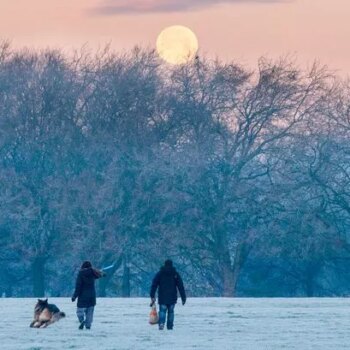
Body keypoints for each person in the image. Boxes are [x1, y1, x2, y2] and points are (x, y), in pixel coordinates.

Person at [150, 259, 186, 330]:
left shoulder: (160, 273)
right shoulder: (175, 274)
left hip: (162, 296)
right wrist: (183, 297)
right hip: (172, 296)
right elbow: (180, 286)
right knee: (171, 312)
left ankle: (161, 324)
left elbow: (154, 284)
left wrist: (152, 295)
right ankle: (170, 326)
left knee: (162, 311)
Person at [71, 261, 105, 330]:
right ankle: (88, 326)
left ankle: (82, 320)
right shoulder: (93, 273)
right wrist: (102, 273)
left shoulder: (81, 274)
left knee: (79, 311)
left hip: (82, 296)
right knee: (90, 312)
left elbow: (78, 286)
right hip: (92, 296)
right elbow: (99, 275)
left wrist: (74, 296)